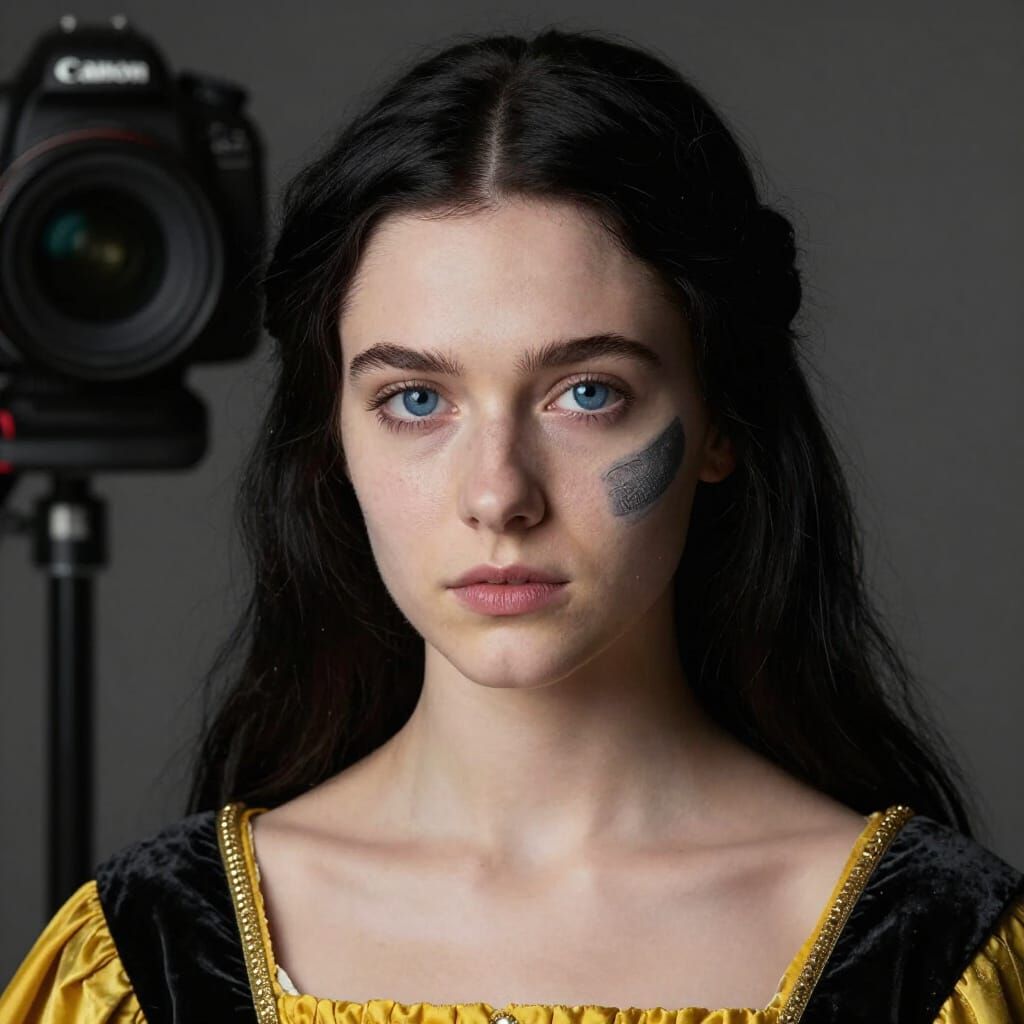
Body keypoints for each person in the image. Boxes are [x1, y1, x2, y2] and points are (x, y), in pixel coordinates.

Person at [2, 25, 1021, 1024]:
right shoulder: (147, 957)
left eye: (585, 393)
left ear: (719, 422)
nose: (498, 494)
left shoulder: (931, 957)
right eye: (414, 400)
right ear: (333, 443)